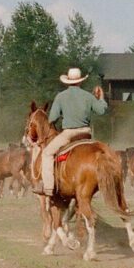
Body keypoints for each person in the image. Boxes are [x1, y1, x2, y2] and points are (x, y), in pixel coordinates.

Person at [33, 67, 107, 197]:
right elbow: (101, 110)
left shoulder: (61, 96)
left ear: (67, 81)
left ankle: (48, 188)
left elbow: (52, 118)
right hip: (86, 134)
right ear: (80, 82)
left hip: (69, 134)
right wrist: (101, 98)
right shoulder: (88, 96)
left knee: (47, 154)